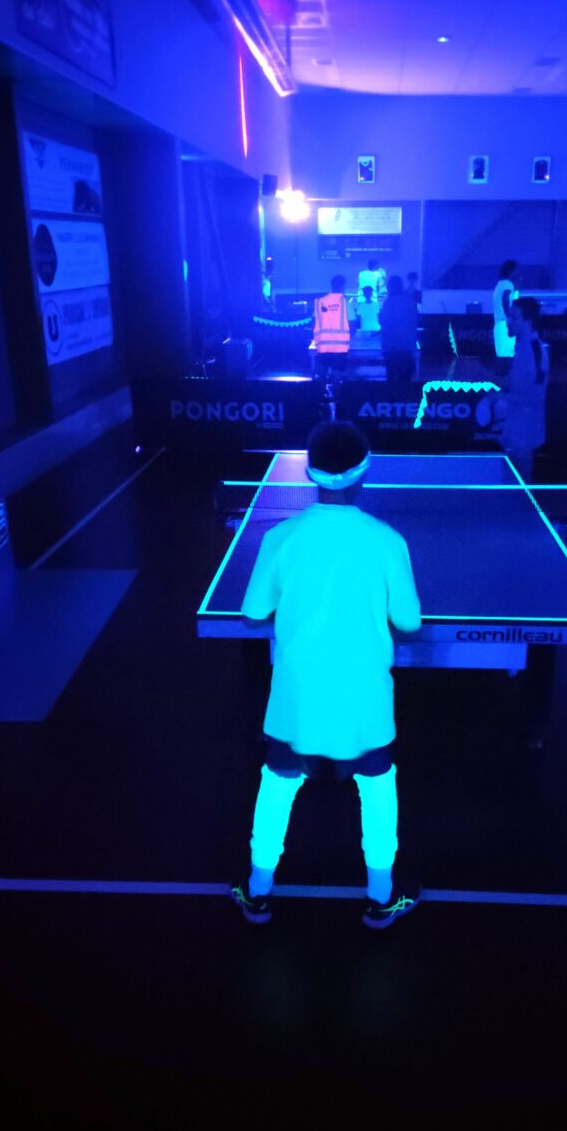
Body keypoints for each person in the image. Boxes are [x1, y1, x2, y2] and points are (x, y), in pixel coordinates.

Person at [231, 421, 423, 930]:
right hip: (364, 698)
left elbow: (252, 614)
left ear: (310, 473)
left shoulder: (280, 537)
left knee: (277, 782)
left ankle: (257, 893)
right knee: (378, 784)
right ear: (364, 473)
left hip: (297, 696)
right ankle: (381, 897)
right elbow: (409, 624)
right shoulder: (387, 541)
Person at [492, 297, 549, 481]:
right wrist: (486, 377)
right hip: (514, 429)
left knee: (520, 485)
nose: (509, 321)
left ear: (528, 322)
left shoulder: (536, 351)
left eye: (514, 317)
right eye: (509, 316)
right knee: (510, 482)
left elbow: (536, 397)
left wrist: (502, 397)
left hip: (525, 433)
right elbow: (515, 383)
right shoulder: (521, 347)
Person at [313, 274, 351, 418]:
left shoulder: (319, 302)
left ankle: (319, 401)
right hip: (340, 348)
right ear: (343, 286)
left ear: (331, 285)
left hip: (323, 346)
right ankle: (338, 403)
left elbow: (314, 321)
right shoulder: (346, 303)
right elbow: (353, 322)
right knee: (337, 377)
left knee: (322, 375)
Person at [379, 275, 418, 386]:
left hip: (391, 346)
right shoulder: (409, 302)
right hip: (406, 346)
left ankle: (391, 396)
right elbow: (414, 321)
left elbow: (385, 322)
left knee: (391, 378)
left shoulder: (389, 302)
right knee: (406, 379)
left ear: (391, 287)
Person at [493, 259, 519, 363]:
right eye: (516, 270)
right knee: (508, 355)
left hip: (499, 324)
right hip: (505, 323)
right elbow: (505, 300)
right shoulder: (508, 284)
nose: (517, 273)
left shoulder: (500, 284)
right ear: (511, 271)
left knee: (502, 356)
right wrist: (510, 318)